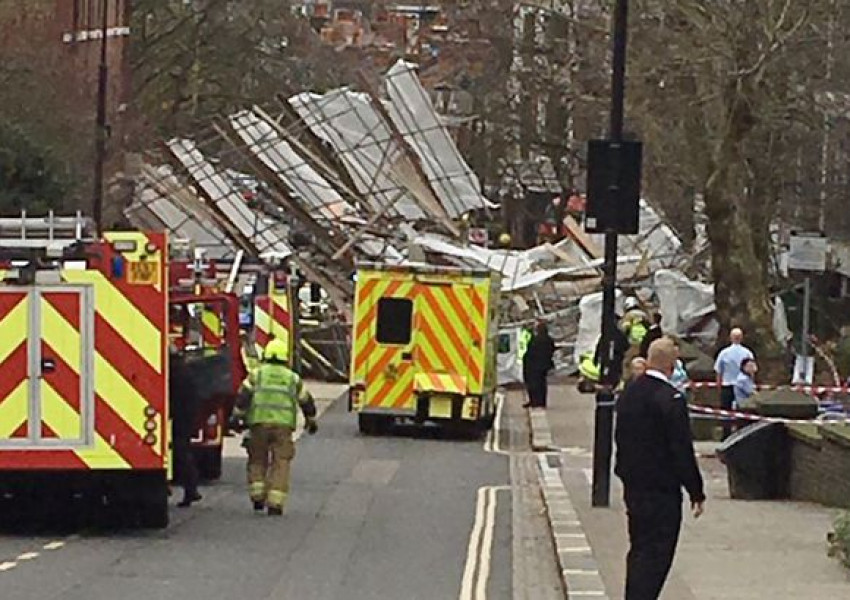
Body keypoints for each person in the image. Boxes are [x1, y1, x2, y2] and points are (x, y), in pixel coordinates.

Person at [615, 337, 706, 600]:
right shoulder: (670, 398)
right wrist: (696, 492)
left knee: (639, 548)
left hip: (634, 486)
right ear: (672, 363)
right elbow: (681, 449)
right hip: (662, 490)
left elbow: (620, 437)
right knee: (658, 553)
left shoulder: (629, 393)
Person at [230, 338, 318, 515]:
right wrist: (311, 419)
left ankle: (257, 497)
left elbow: (243, 398)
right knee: (281, 462)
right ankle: (275, 503)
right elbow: (306, 401)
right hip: (283, 427)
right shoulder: (292, 378)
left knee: (257, 459)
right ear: (285, 358)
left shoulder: (257, 374)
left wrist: (236, 418)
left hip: (258, 424)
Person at [169, 350, 202, 508]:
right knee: (183, 452)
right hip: (186, 418)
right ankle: (190, 489)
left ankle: (190, 489)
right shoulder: (185, 371)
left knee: (180, 454)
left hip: (179, 418)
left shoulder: (174, 372)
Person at [714, 328, 754, 439]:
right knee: (743, 410)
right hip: (742, 385)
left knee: (726, 411)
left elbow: (718, 371)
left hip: (727, 385)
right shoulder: (747, 353)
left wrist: (719, 386)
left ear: (731, 338)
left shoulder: (724, 353)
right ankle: (741, 434)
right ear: (741, 338)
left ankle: (726, 435)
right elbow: (751, 370)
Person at [523, 321, 556, 408]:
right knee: (541, 384)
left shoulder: (536, 340)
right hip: (543, 365)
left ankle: (535, 401)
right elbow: (551, 351)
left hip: (534, 365)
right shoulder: (549, 340)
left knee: (534, 384)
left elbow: (532, 352)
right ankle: (541, 401)